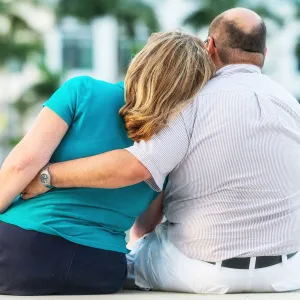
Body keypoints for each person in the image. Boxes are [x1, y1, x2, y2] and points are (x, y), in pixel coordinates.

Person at [22, 7, 300, 294]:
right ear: (264, 52)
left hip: (201, 270)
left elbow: (135, 166)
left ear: (211, 46)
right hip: (285, 271)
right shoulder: (291, 105)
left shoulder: (195, 102)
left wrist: (48, 176)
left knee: (126, 258)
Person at [0, 31, 215, 295]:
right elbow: (145, 225)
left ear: (142, 60)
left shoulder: (82, 92)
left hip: (21, 249)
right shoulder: (168, 149)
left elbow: (21, 166)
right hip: (102, 269)